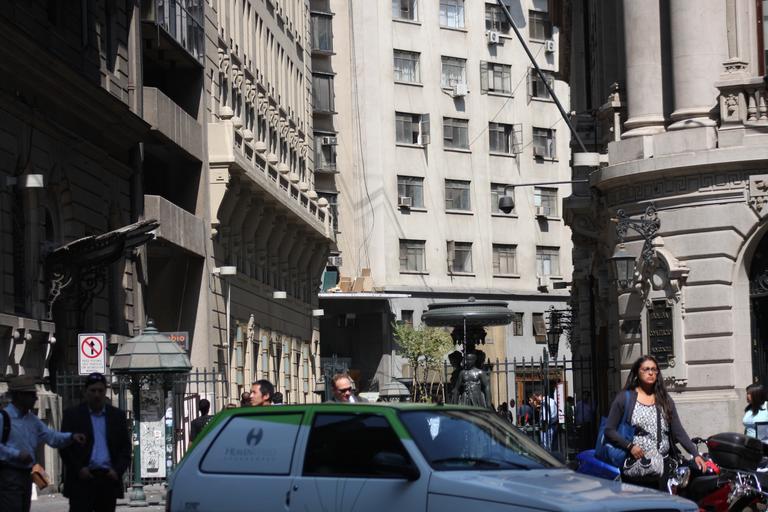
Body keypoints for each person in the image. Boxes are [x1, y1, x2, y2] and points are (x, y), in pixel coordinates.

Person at [605, 355, 706, 490]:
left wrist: (695, 454)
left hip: (662, 468)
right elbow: (609, 430)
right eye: (646, 369)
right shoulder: (625, 398)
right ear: (637, 373)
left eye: (654, 369)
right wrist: (630, 446)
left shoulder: (664, 399)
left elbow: (678, 431)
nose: (651, 373)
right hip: (636, 466)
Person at [0, 375, 86, 512]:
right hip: (8, 475)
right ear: (19, 396)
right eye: (31, 395)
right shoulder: (4, 418)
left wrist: (71, 437)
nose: (35, 398)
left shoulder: (32, 420)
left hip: (26, 475)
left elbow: (52, 437)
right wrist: (17, 454)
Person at [60, 372, 131, 512]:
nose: (97, 395)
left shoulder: (117, 416)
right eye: (93, 391)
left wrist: (117, 471)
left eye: (100, 390)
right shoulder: (73, 415)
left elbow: (125, 448)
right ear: (85, 392)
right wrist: (79, 469)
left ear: (105, 392)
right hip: (82, 480)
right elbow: (65, 447)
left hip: (107, 479)